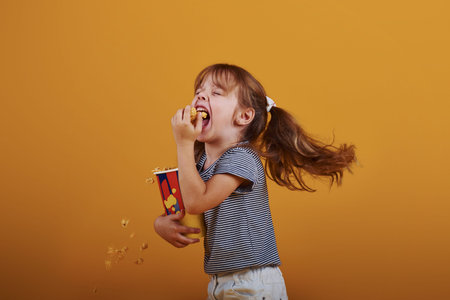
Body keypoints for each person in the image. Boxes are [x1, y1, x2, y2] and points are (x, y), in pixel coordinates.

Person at [154, 63, 357, 299]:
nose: (201, 95)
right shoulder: (198, 163)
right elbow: (182, 205)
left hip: (251, 281)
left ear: (244, 116)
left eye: (216, 93)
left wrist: (183, 144)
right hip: (220, 280)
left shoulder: (242, 158)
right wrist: (161, 224)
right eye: (199, 91)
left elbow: (197, 201)